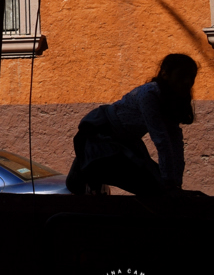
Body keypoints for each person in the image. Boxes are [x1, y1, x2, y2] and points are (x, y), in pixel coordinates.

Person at [66, 53, 198, 196]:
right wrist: (169, 184)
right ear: (165, 75)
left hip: (125, 142)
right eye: (182, 76)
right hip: (101, 137)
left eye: (191, 77)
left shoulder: (170, 102)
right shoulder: (149, 95)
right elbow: (162, 140)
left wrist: (175, 183)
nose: (187, 81)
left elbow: (175, 142)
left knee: (155, 185)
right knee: (150, 186)